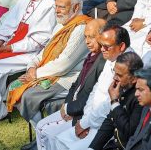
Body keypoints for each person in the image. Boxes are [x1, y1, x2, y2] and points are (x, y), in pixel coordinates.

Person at [12, 0, 94, 150]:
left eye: (62, 7)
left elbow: (64, 64)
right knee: (15, 86)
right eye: (56, 6)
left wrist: (35, 74)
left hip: (66, 78)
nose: (57, 10)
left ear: (76, 7)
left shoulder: (82, 27)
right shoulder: (61, 24)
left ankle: (40, 140)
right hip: (47, 73)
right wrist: (31, 66)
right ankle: (40, 137)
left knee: (27, 94)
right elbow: (44, 53)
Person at [51, 24, 132, 149]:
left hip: (105, 126)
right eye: (101, 44)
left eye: (106, 46)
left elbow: (108, 104)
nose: (102, 49)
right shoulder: (111, 56)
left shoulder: (126, 66)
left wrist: (85, 123)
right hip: (90, 119)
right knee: (58, 141)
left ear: (121, 46)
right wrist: (85, 119)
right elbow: (96, 91)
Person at [35, 19, 106, 150]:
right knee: (41, 126)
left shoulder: (103, 61)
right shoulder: (91, 56)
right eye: (85, 37)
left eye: (92, 37)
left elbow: (91, 97)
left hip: (82, 114)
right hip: (72, 108)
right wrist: (66, 106)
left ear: (103, 36)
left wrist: (69, 109)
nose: (87, 41)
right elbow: (75, 85)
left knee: (46, 132)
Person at [88, 52, 144, 150]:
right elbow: (110, 120)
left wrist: (114, 101)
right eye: (114, 72)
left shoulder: (140, 96)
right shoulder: (124, 87)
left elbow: (129, 131)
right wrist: (92, 148)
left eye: (119, 75)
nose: (114, 77)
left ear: (134, 78)